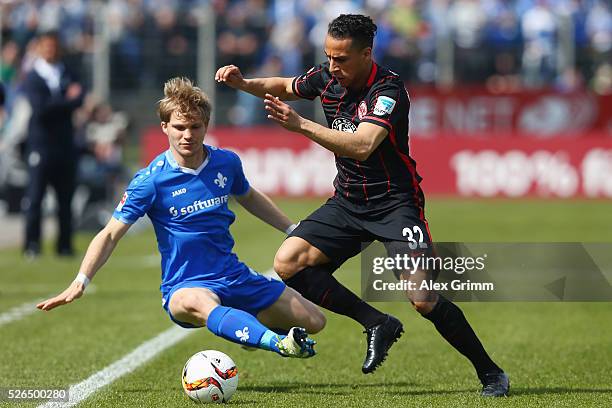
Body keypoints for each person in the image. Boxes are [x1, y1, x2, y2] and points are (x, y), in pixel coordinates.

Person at [216, 14, 509, 396]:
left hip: (394, 205)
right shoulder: (327, 76)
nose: (332, 66)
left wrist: (301, 125)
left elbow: (361, 144)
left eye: (341, 59)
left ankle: (491, 374)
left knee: (422, 300)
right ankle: (376, 322)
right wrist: (244, 84)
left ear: (367, 53)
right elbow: (286, 86)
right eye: (328, 57)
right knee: (289, 262)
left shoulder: (388, 90)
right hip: (348, 201)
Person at [37, 77, 325, 358]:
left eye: (195, 126)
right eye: (179, 127)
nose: (187, 135)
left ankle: (248, 327)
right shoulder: (150, 180)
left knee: (315, 321)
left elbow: (248, 196)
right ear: (165, 127)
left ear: (206, 126)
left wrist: (292, 228)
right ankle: (278, 343)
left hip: (232, 274)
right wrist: (81, 281)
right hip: (184, 286)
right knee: (200, 302)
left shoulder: (226, 162)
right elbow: (110, 233)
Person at [22, 31, 84, 258]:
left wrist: (62, 102)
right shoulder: (33, 76)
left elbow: (80, 97)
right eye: (47, 46)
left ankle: (64, 245)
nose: (51, 51)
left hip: (65, 145)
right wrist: (66, 100)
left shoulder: (68, 72)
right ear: (39, 48)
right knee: (35, 197)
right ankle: (32, 245)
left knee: (65, 199)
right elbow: (40, 108)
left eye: (54, 46)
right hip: (41, 145)